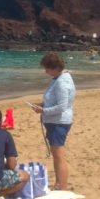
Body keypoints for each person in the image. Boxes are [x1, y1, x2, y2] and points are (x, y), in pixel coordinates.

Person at [31, 52, 74, 191]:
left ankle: (62, 186)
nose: (45, 72)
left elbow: (62, 106)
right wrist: (43, 105)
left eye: (47, 69)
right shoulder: (60, 77)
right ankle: (59, 183)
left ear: (55, 68)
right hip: (56, 121)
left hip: (58, 122)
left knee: (58, 156)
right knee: (57, 155)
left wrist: (43, 111)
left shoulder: (62, 82)